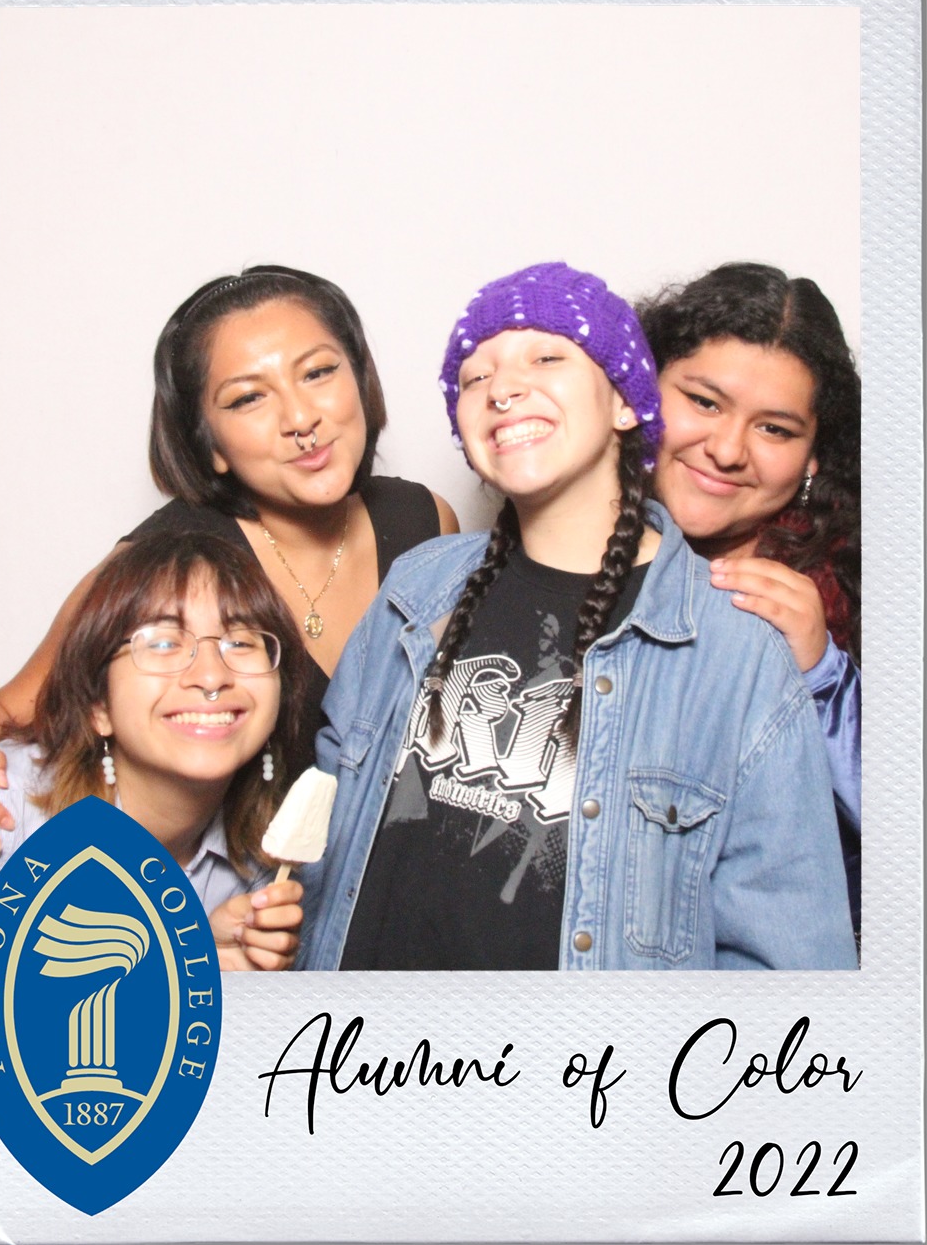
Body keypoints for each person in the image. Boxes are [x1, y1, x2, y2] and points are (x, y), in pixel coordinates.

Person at [298, 261, 857, 972]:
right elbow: (320, 831)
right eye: (475, 377)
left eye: (547, 358)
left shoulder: (745, 648)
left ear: (627, 400)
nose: (503, 387)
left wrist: (824, 675)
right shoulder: (418, 587)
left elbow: (789, 954)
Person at [0, 265, 458, 782]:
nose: (300, 419)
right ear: (210, 444)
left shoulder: (426, 521)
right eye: (248, 398)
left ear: (360, 378)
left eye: (317, 373)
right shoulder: (162, 556)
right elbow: (6, 715)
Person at [635, 263, 860, 929]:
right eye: (704, 402)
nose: (728, 450)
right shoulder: (563, 544)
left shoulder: (862, 587)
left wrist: (823, 676)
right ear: (639, 389)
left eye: (775, 430)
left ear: (814, 458)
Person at [0, 532, 309, 971]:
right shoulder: (3, 816)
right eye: (163, 643)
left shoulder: (267, 880)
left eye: (241, 642)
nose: (211, 676)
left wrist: (205, 967)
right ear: (98, 705)